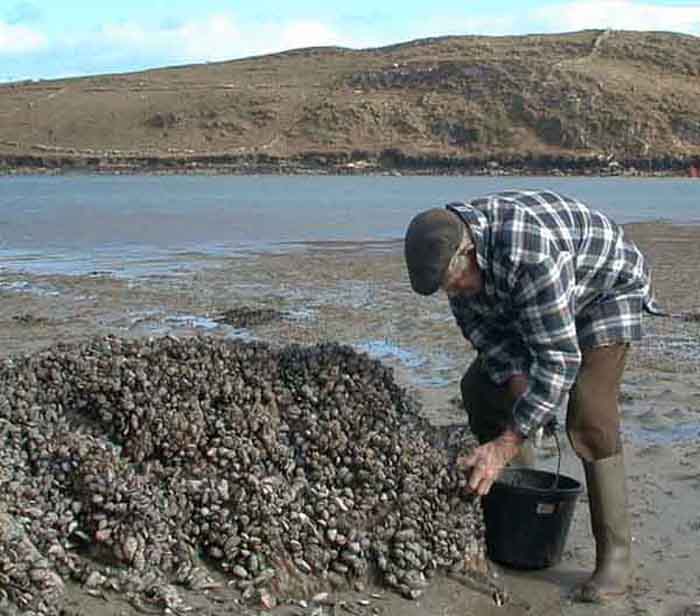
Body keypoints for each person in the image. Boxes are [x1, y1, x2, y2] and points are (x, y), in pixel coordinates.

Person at [404, 189, 663, 603]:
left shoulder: (529, 253)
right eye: (445, 289)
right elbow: (489, 339)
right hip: (535, 301)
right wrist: (517, 385)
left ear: (468, 252)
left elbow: (559, 358)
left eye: (455, 283)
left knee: (589, 415)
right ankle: (518, 508)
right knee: (481, 388)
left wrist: (508, 441)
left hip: (606, 290)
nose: (454, 294)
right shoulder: (453, 269)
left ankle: (616, 555)